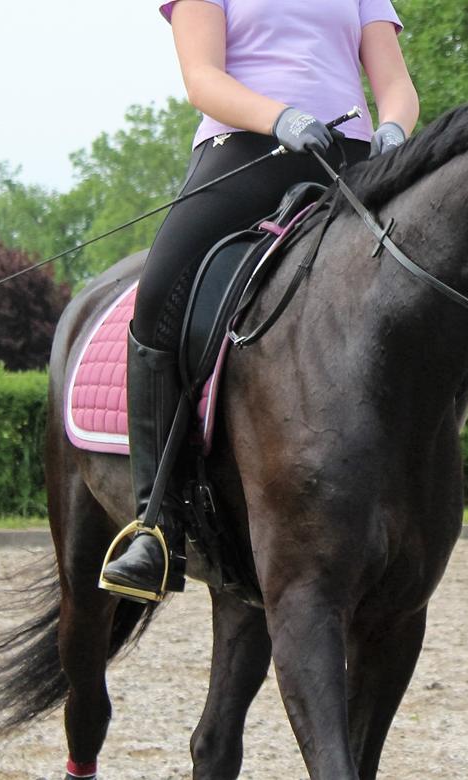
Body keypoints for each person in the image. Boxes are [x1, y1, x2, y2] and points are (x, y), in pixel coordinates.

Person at [99, 0, 418, 601]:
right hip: (248, 149)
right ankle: (155, 524)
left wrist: (395, 129)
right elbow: (202, 78)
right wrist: (280, 117)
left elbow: (395, 82)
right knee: (160, 295)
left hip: (349, 162)